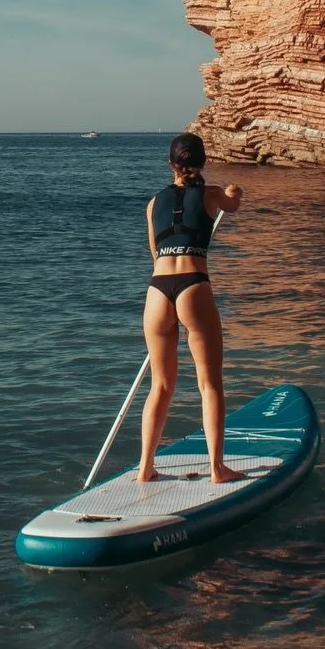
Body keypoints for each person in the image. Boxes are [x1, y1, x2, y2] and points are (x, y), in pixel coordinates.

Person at [139, 133, 243, 485]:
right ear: (203, 162)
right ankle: (217, 468)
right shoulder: (211, 194)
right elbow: (232, 204)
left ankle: (145, 469)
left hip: (157, 291)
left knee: (160, 386)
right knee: (210, 384)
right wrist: (234, 192)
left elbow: (155, 253)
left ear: (171, 164)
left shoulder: (153, 204)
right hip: (193, 286)